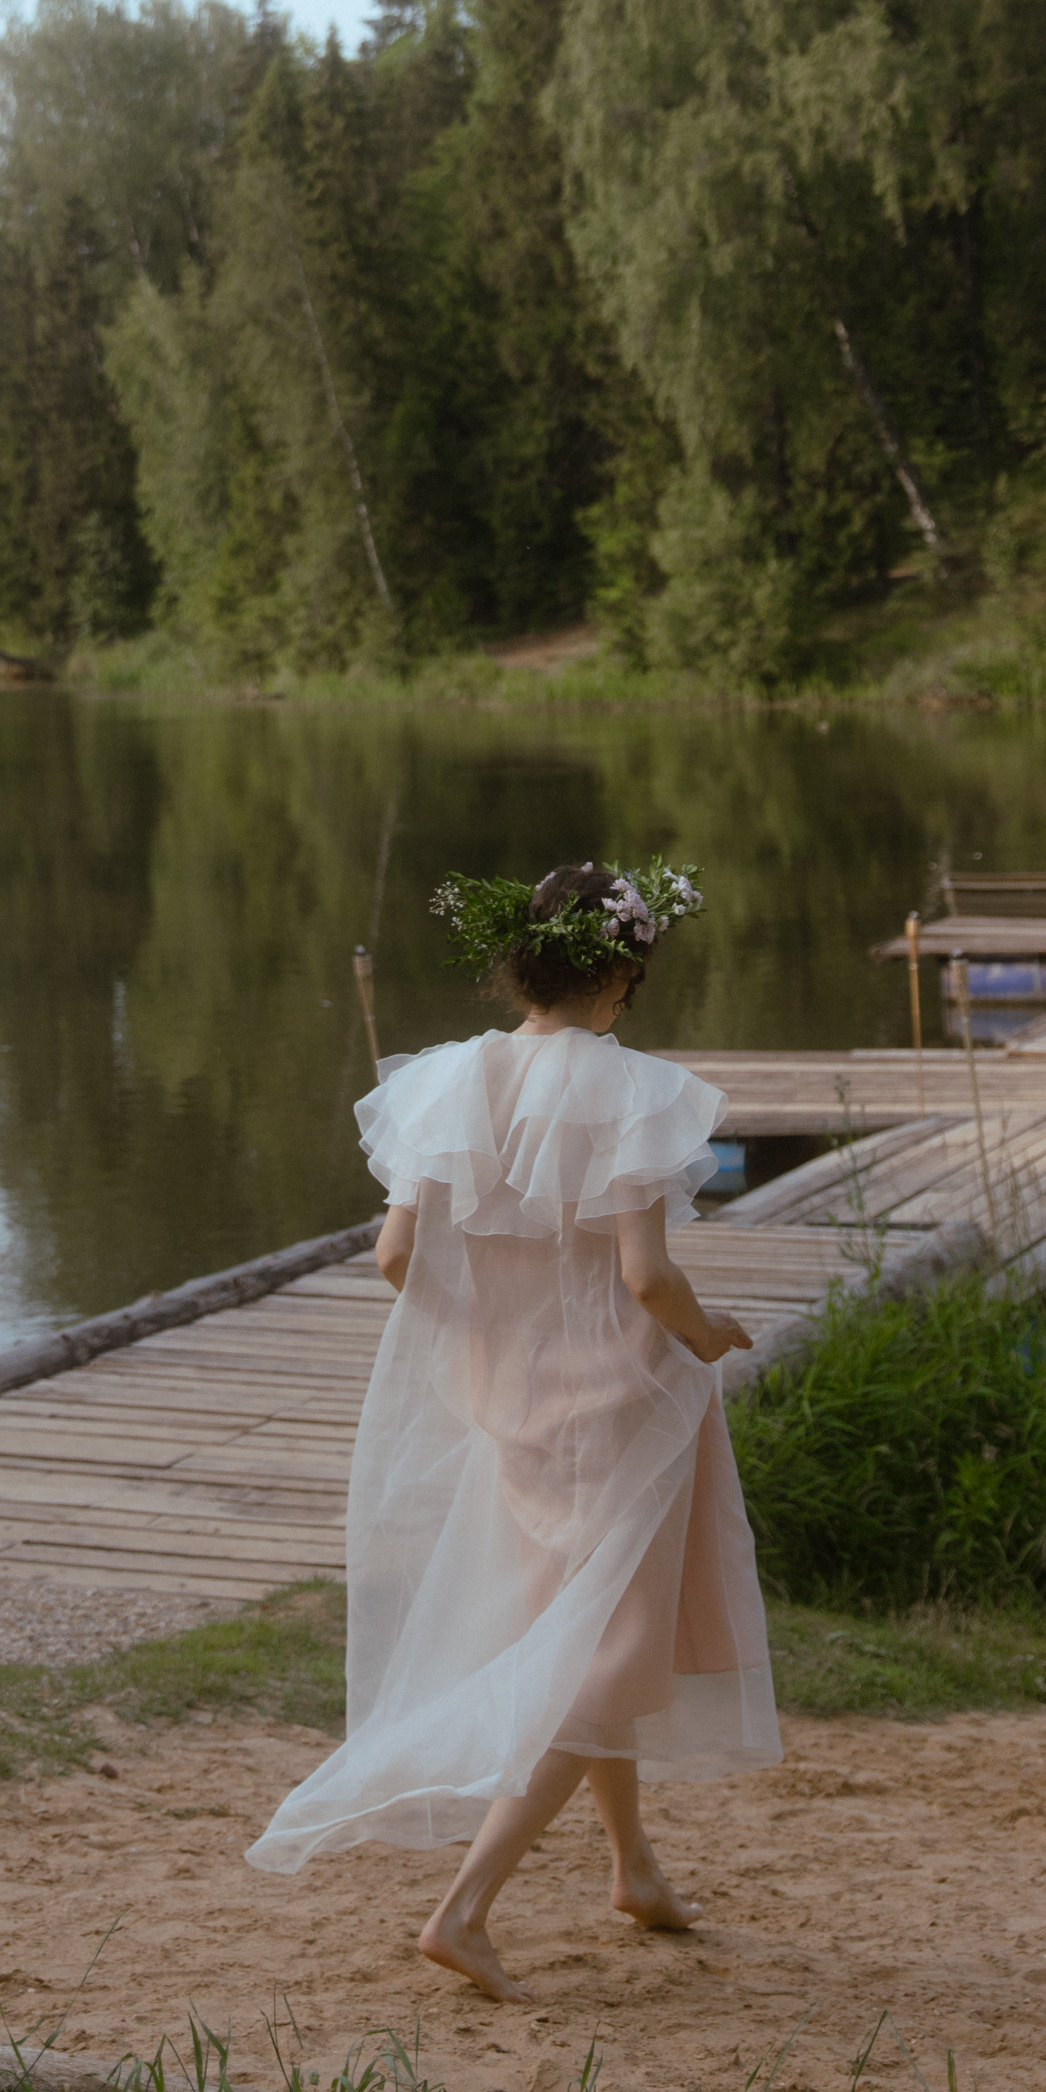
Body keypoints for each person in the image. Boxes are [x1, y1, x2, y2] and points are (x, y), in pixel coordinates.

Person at [247, 856, 779, 2000]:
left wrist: (484, 1333)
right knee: (612, 1656)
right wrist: (710, 1328)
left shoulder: (446, 1081)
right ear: (626, 969)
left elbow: (395, 1256)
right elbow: (647, 1278)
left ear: (522, 960)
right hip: (623, 1402)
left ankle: (634, 1867)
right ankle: (465, 1909)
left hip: (514, 1397)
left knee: (572, 1635)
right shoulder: (632, 1092)